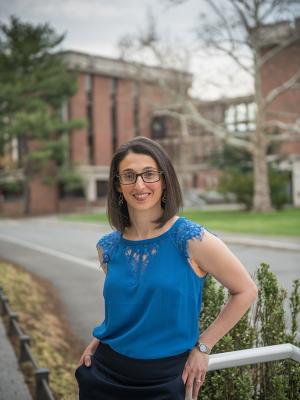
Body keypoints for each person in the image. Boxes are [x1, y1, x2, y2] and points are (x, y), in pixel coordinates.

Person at [75, 136, 258, 400]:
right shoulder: (108, 248)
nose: (139, 184)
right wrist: (101, 336)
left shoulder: (191, 239)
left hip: (166, 379)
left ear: (164, 179)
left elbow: (246, 291)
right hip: (104, 374)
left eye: (148, 174)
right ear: (117, 185)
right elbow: (130, 309)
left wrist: (204, 347)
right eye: (128, 176)